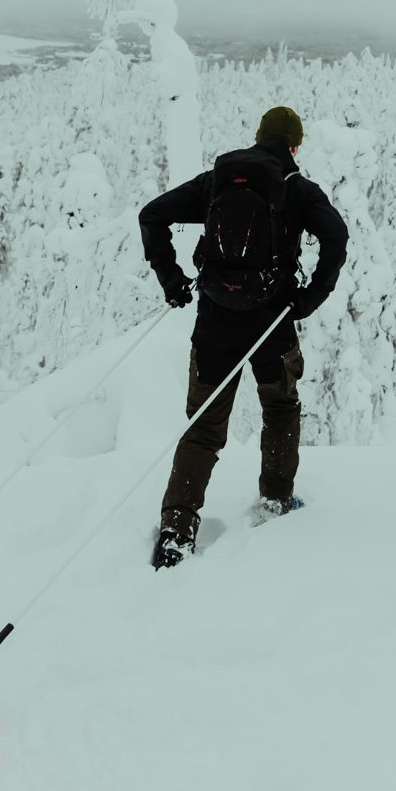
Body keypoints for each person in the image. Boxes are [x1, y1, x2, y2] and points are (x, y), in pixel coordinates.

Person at [138, 104, 348, 568]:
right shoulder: (297, 189)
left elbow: (151, 215)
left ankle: (176, 530)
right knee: (280, 408)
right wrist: (309, 299)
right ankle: (275, 501)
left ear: (258, 138)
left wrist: (172, 279)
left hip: (214, 324)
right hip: (272, 325)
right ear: (294, 146)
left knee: (204, 428)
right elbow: (337, 237)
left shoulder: (216, 181)